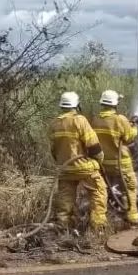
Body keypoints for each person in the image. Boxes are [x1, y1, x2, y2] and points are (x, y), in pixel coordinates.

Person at [49, 91, 108, 230]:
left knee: (65, 198)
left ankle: (63, 225)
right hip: (83, 167)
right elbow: (93, 145)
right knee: (99, 190)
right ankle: (98, 225)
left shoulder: (54, 124)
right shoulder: (79, 120)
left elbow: (53, 150)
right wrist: (99, 161)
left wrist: (63, 162)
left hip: (65, 168)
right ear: (76, 105)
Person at [91, 90, 138, 225]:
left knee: (108, 190)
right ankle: (132, 218)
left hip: (104, 166)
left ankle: (110, 216)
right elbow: (129, 137)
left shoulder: (95, 120)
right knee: (130, 188)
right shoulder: (120, 119)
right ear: (115, 104)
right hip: (122, 164)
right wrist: (135, 125)